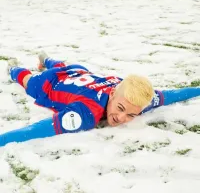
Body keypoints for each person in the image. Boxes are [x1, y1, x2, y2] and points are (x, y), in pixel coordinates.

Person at [0, 52, 200, 147]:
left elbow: (173, 95)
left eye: (131, 114)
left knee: (68, 67)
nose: (122, 117)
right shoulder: (87, 113)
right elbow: (37, 129)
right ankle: (13, 68)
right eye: (120, 108)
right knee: (29, 82)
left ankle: (47, 60)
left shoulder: (139, 98)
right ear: (113, 94)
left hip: (78, 72)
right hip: (50, 84)